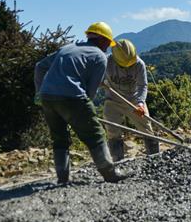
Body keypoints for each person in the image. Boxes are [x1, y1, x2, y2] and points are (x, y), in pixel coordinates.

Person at [34, 21, 128, 185]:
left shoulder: (67, 48)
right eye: (108, 43)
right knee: (95, 134)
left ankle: (62, 178)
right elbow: (91, 91)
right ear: (103, 40)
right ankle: (109, 173)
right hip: (73, 97)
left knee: (59, 138)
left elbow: (39, 66)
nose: (108, 47)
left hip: (47, 97)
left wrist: (39, 92)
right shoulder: (100, 56)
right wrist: (85, 114)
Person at [102, 38, 158, 161]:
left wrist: (140, 103)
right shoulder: (106, 62)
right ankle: (118, 161)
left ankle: (155, 157)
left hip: (134, 100)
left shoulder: (139, 64)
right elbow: (94, 76)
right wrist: (98, 81)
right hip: (112, 100)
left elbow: (143, 85)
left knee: (146, 127)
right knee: (112, 130)